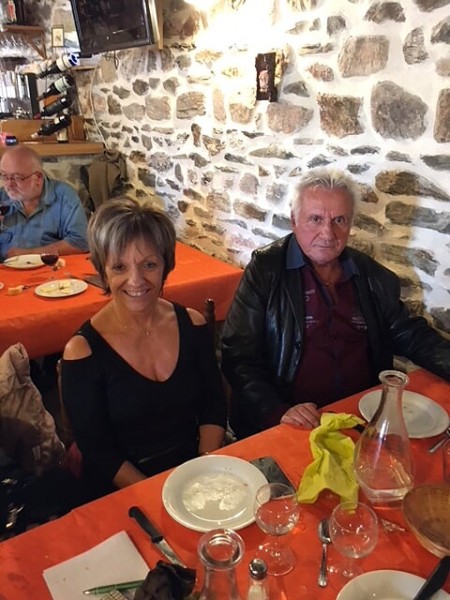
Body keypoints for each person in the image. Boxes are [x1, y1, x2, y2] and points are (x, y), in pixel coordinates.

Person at [222, 168, 450, 439]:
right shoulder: (266, 270)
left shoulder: (370, 275)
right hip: (291, 421)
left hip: (359, 415)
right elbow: (238, 353)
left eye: (339, 220)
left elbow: (409, 333)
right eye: (315, 219)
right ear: (294, 220)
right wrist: (276, 409)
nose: (328, 233)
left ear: (350, 223)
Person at [61, 197, 227, 499]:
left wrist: (204, 470)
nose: (135, 280)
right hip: (123, 490)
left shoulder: (193, 324)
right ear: (103, 271)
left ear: (166, 265)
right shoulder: (82, 351)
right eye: (119, 267)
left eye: (149, 264)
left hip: (193, 475)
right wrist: (159, 495)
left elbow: (213, 405)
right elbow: (98, 450)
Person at [0, 145, 88, 260]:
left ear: (38, 177)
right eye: (4, 176)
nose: (8, 185)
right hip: (5, 268)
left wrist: (30, 254)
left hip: (47, 267)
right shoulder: (2, 197)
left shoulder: (64, 196)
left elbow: (80, 243)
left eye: (17, 178)